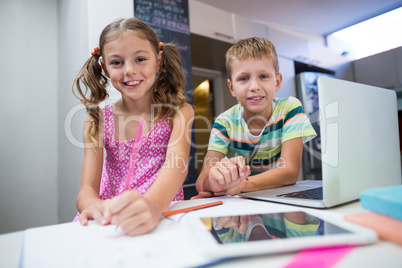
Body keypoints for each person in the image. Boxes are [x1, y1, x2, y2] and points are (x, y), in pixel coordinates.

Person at [72, 17, 194, 236]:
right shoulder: (97, 120)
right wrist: (93, 206)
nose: (129, 70)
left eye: (140, 59)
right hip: (112, 220)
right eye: (117, 62)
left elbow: (177, 166)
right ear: (105, 68)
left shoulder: (179, 112)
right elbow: (86, 190)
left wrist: (152, 206)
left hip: (161, 214)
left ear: (159, 61)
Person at [194, 37, 316, 198]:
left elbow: (290, 172)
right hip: (242, 211)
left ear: (277, 82)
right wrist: (216, 180)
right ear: (232, 88)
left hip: (282, 202)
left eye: (263, 76)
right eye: (243, 78)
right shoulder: (224, 122)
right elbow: (202, 181)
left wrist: (240, 185)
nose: (254, 87)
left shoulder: (289, 109)